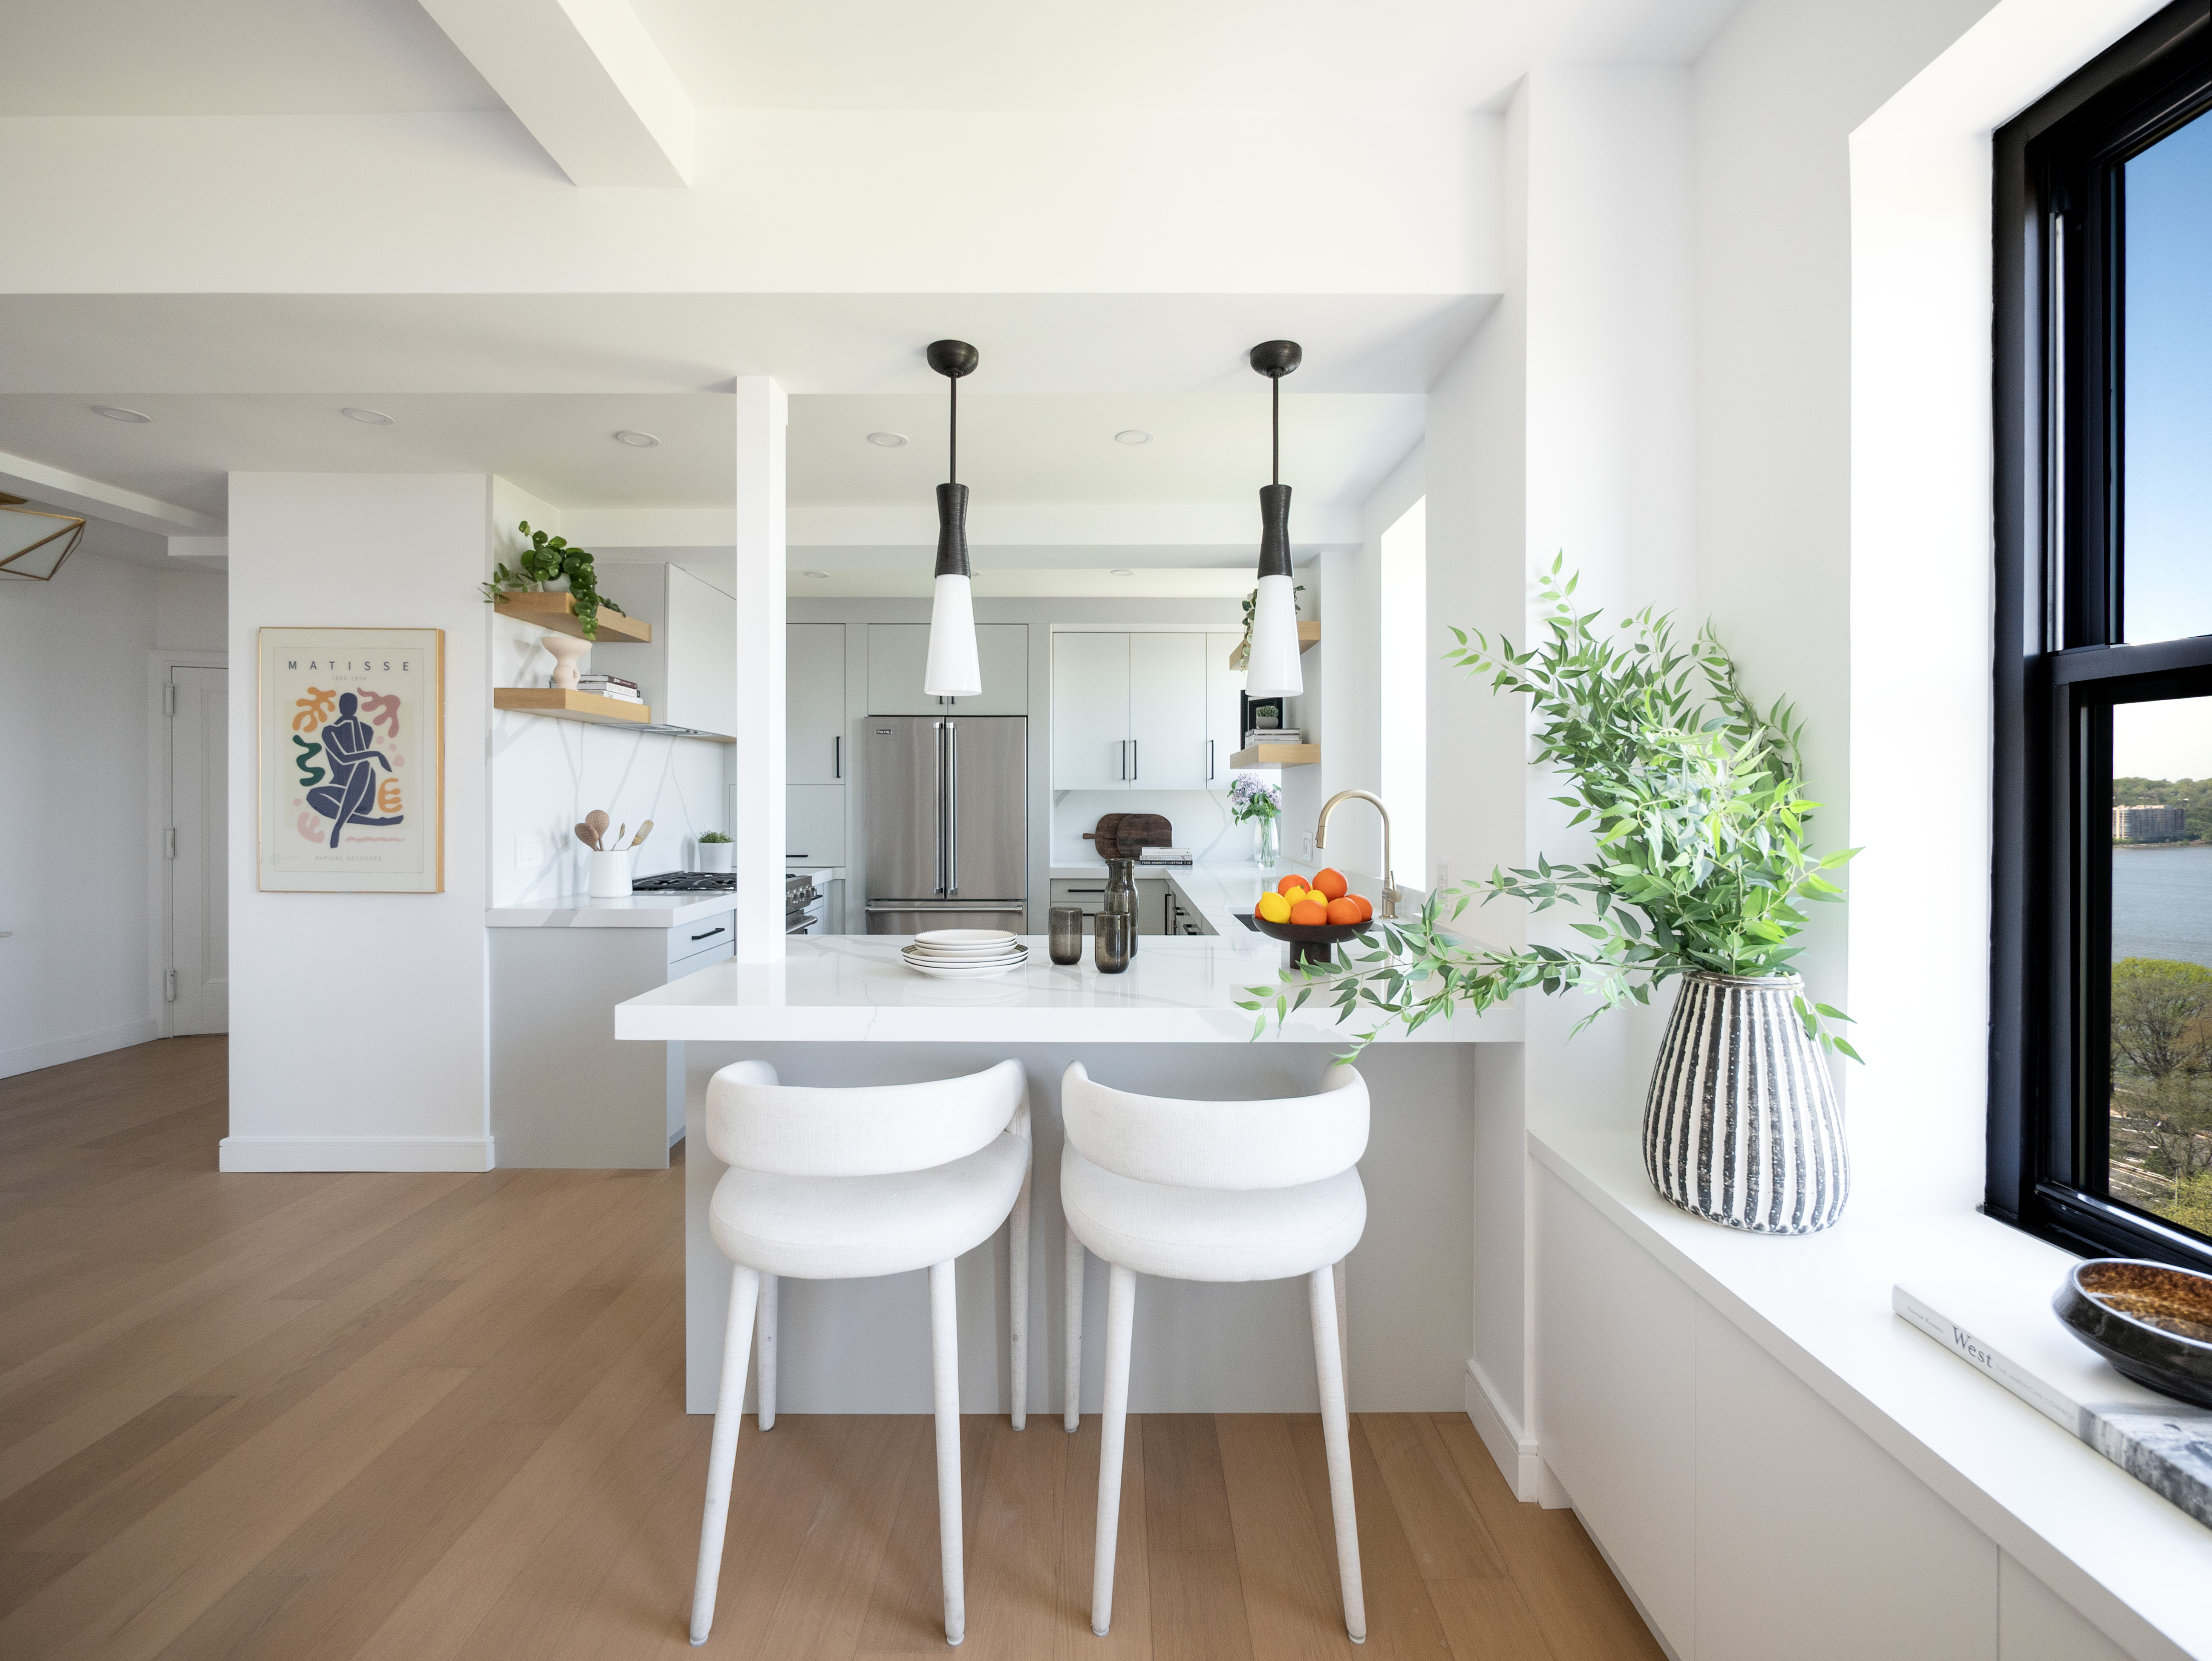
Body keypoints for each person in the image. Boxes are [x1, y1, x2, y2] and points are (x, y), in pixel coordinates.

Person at [305, 692, 402, 849]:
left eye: (352, 705)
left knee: (363, 765)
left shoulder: (367, 730)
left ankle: (338, 827)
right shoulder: (329, 731)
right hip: (340, 790)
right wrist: (376, 754)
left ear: (356, 707)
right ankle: (377, 823)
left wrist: (372, 754)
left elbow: (359, 759)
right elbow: (343, 758)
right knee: (313, 795)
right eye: (345, 704)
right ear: (340, 706)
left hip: (364, 792)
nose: (349, 708)